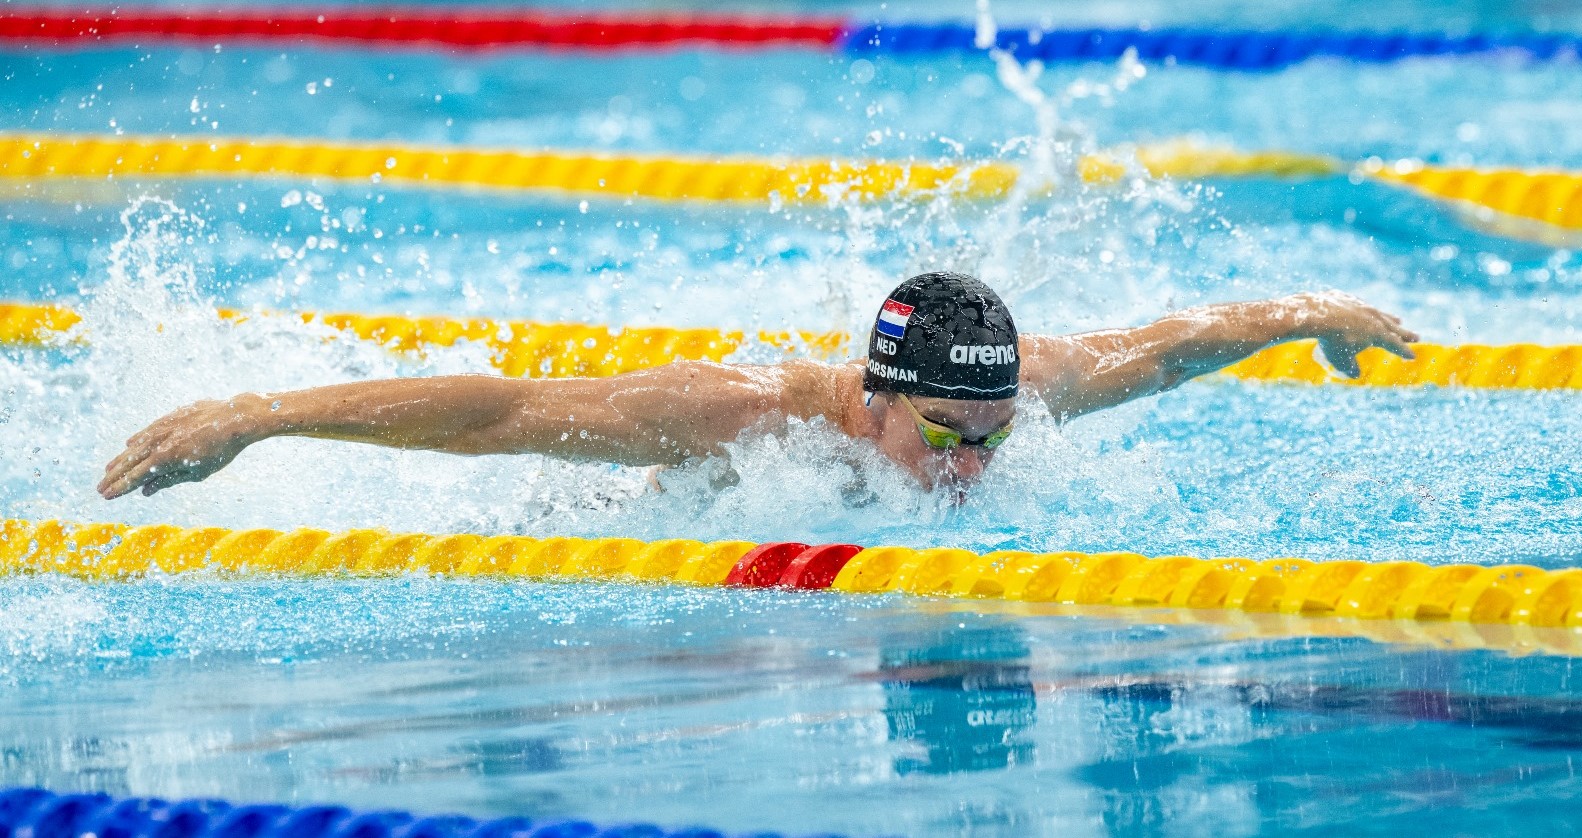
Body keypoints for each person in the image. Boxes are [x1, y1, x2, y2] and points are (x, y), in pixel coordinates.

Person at [98, 272, 1418, 500]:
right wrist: (250, 417)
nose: (975, 466)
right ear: (871, 396)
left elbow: (1179, 340)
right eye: (950, 437)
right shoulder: (745, 411)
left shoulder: (1022, 388)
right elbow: (497, 412)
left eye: (995, 438)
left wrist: (1321, 317)